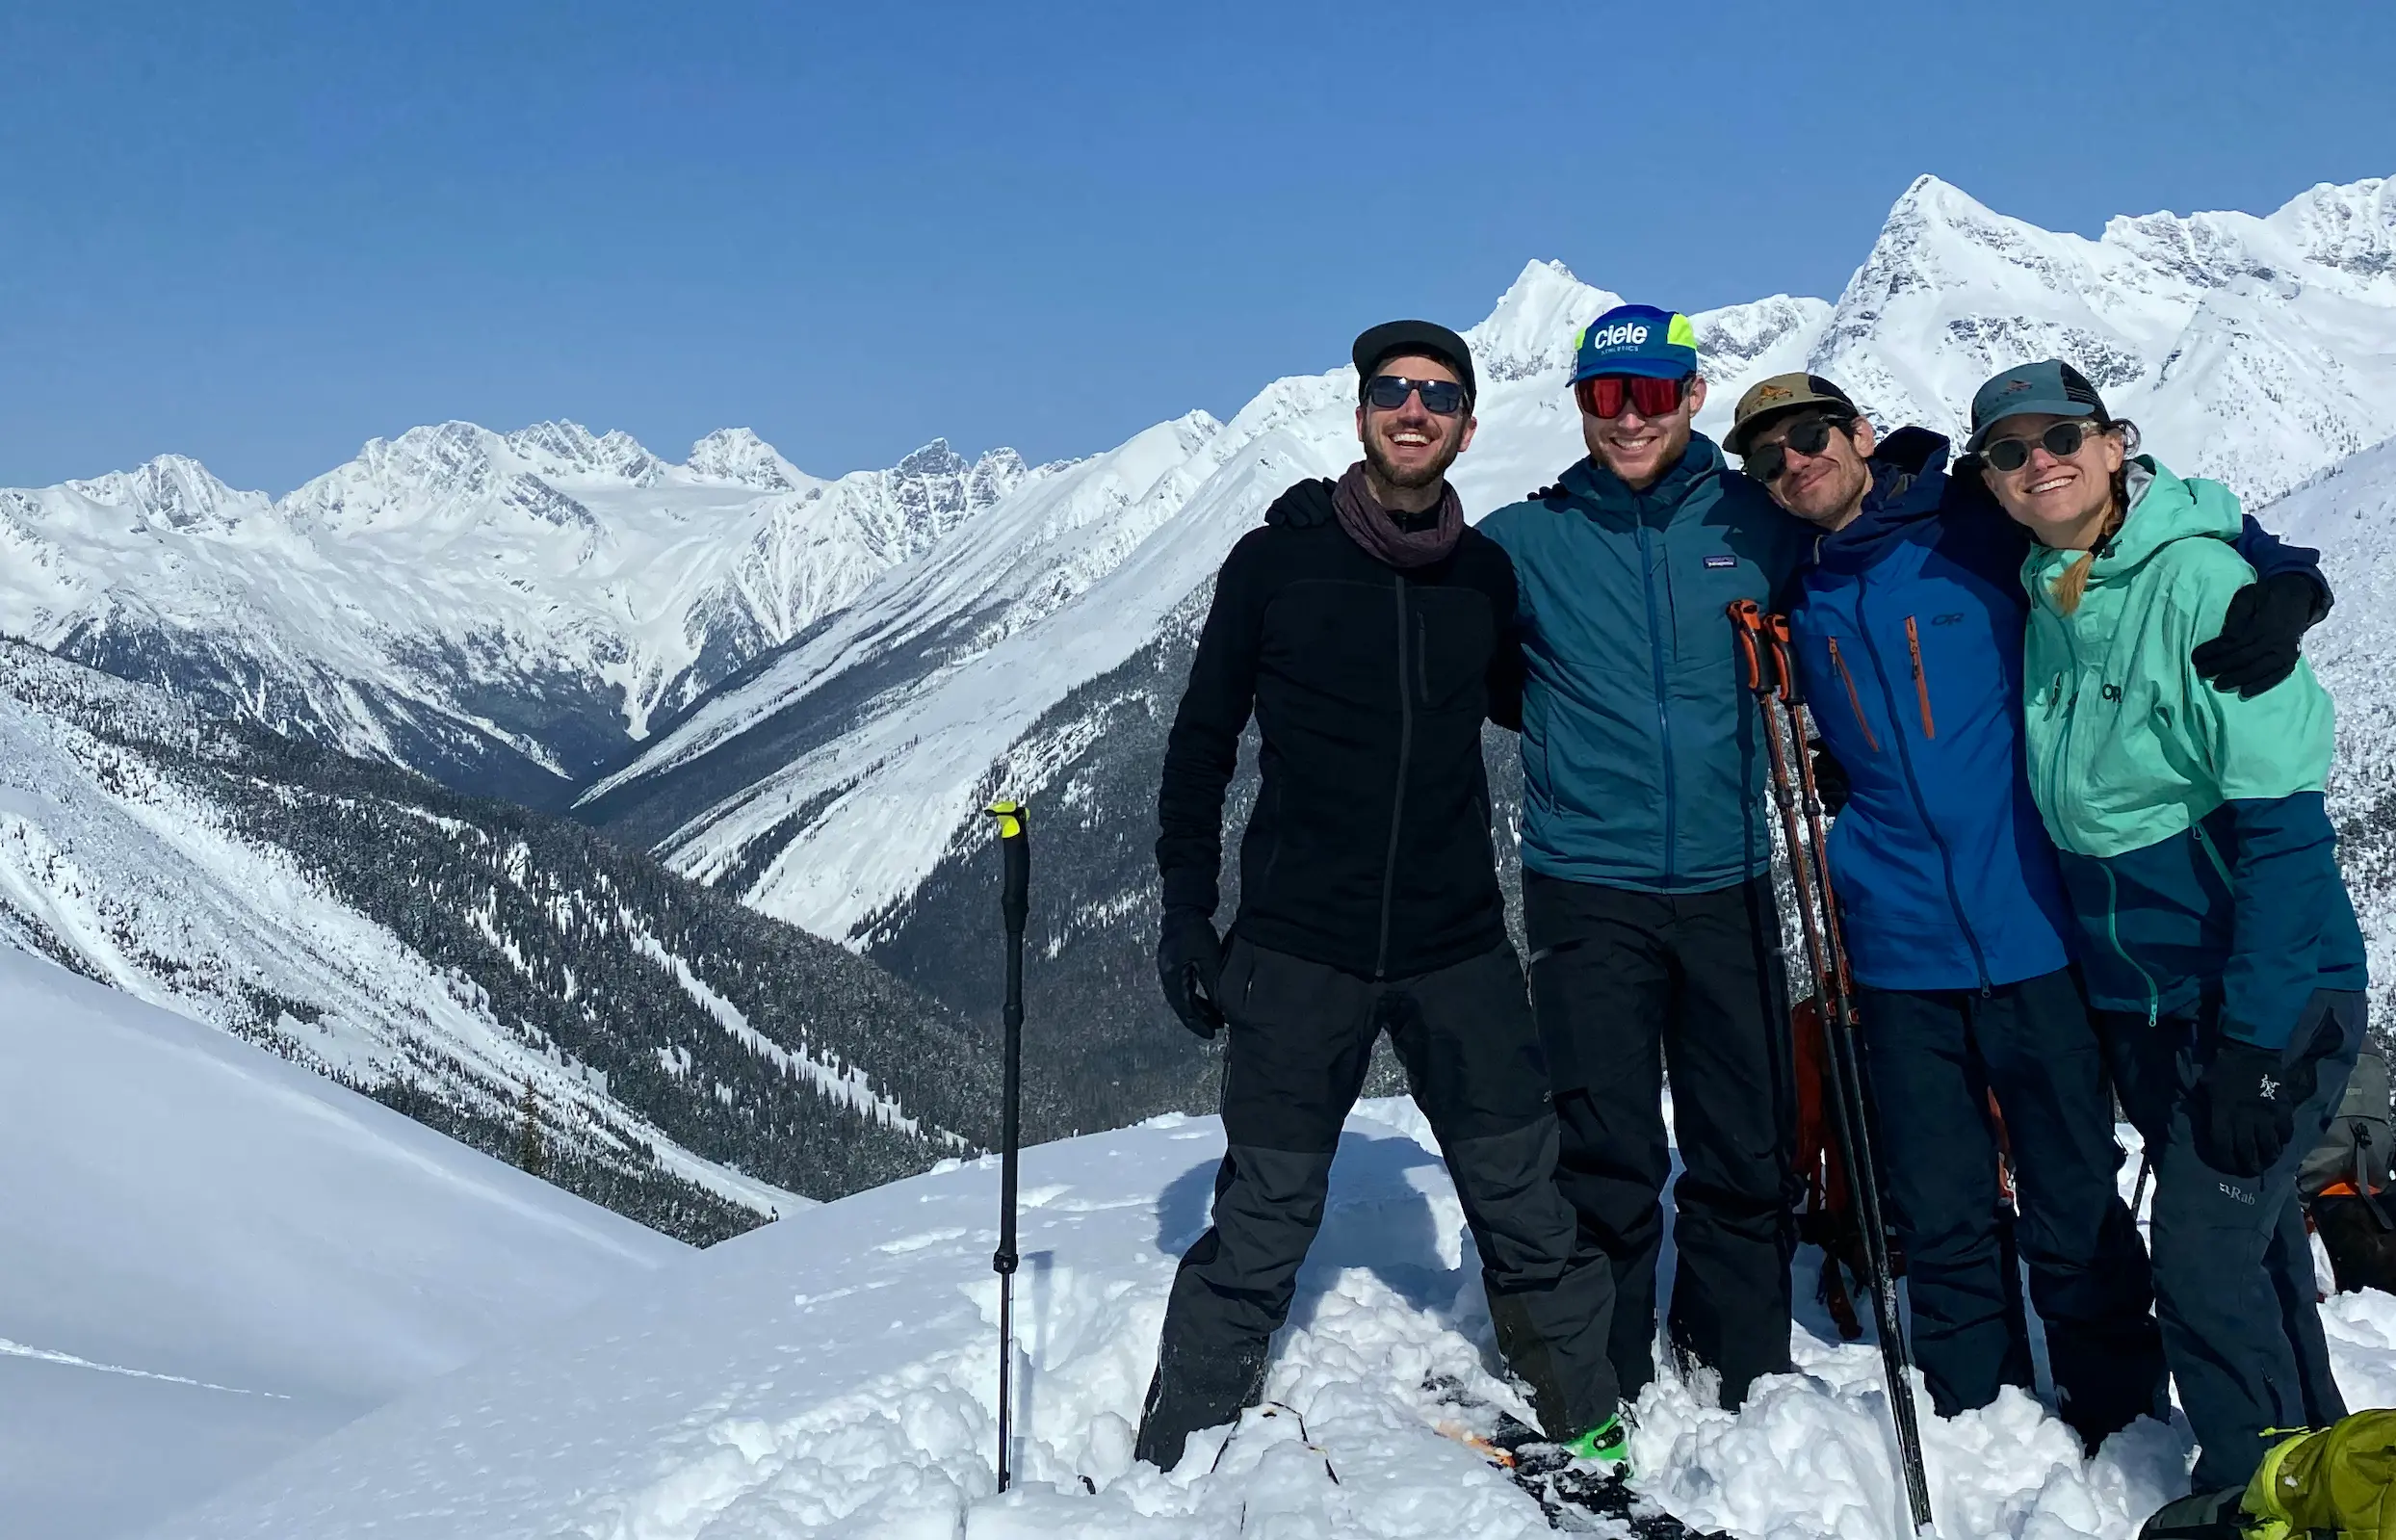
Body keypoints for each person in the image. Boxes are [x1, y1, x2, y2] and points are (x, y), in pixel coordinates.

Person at [1724, 371, 2329, 1450]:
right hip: (1895, 947)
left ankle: (2114, 1413)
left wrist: (2288, 577)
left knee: (2070, 1193)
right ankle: (1973, 1419)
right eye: (1766, 460)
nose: (1793, 465)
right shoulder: (1790, 575)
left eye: (1810, 436)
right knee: (1940, 1204)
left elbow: (2161, 525)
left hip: (2039, 936)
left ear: (1859, 432)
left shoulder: (1975, 523)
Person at [1137, 320, 1623, 1473]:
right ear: (1360, 415)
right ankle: (1181, 1445)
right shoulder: (1276, 562)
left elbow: (1522, 699)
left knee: (1524, 1197)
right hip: (1300, 947)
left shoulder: (1484, 573)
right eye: (1394, 392)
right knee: (1263, 1214)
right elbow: (1201, 744)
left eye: (1439, 396)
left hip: (1457, 945)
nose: (1415, 411)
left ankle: (1586, 1413)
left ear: (1465, 423)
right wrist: (1182, 908)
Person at [1974, 358, 2368, 1495]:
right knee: (2254, 1254)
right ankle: (2314, 1474)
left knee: (2198, 1263)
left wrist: (2257, 1042)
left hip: (2257, 995)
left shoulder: (2197, 581)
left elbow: (2287, 839)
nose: (2038, 460)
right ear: (1989, 480)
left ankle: (2250, 1488)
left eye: (2062, 437)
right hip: (2144, 1003)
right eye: (2009, 450)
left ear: (2112, 446)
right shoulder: (2049, 580)